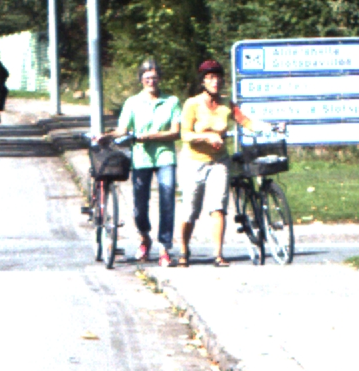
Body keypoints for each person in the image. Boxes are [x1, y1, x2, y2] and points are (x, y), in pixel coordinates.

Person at [176, 58, 267, 267]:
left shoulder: (226, 105)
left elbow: (245, 121)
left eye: (217, 77)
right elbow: (185, 134)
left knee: (218, 207)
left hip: (219, 161)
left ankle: (218, 254)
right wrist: (207, 137)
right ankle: (183, 249)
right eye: (210, 78)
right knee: (190, 210)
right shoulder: (192, 104)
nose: (215, 82)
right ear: (203, 81)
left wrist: (267, 127)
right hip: (194, 161)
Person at [103, 59, 181, 266]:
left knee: (167, 199)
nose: (151, 81)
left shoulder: (171, 101)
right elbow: (123, 129)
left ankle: (165, 247)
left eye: (154, 77)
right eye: (147, 78)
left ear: (159, 79)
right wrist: (108, 135)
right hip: (141, 158)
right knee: (139, 205)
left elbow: (175, 132)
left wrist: (150, 136)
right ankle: (144, 236)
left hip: (165, 156)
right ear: (141, 80)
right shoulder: (133, 102)